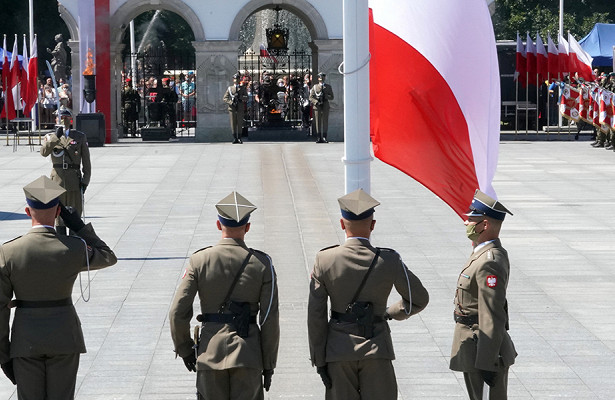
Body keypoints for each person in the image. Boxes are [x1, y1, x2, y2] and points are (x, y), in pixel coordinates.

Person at [0, 175, 117, 399]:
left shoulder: (8, 252)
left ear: (27, 212)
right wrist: (79, 227)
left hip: (26, 341)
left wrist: (3, 356)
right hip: (65, 338)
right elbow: (108, 256)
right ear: (57, 213)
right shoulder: (73, 248)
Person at [308, 188, 430, 400]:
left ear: (341, 224)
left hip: (339, 350)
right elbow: (419, 298)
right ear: (372, 225)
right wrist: (390, 313)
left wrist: (320, 359)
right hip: (377, 349)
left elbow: (315, 317)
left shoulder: (324, 260)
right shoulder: (389, 260)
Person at [169, 192, 280, 400]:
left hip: (210, 353)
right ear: (247, 227)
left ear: (219, 225)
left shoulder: (199, 260)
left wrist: (185, 349)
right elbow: (269, 320)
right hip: (248, 355)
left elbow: (177, 311)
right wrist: (268, 364)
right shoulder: (263, 264)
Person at [450, 189, 517, 400]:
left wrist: (488, 361)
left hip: (482, 347)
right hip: (474, 344)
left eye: (471, 220)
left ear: (485, 225)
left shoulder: (489, 260)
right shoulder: (481, 253)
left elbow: (492, 313)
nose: (466, 224)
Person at [40, 106, 91, 235]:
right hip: (57, 181)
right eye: (59, 117)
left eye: (65, 118)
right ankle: (62, 245)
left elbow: (86, 162)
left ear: (70, 120)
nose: (62, 120)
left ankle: (75, 246)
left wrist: (85, 182)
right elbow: (44, 152)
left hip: (74, 181)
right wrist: (55, 138)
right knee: (58, 217)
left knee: (74, 216)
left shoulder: (79, 137)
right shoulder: (50, 137)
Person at [223, 73, 248, 144]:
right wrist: (231, 102)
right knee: (233, 123)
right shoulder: (230, 88)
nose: (236, 80)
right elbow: (225, 98)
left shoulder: (242, 88)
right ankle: (234, 138)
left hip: (240, 107)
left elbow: (246, 97)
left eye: (237, 78)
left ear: (239, 79)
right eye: (235, 78)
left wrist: (240, 97)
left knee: (240, 123)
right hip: (232, 108)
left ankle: (239, 137)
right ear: (233, 80)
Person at [309, 72, 334, 143]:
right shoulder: (315, 87)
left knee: (325, 121)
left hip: (325, 104)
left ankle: (324, 137)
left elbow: (332, 97)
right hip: (317, 106)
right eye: (320, 77)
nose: (321, 79)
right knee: (318, 121)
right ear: (318, 78)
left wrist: (326, 96)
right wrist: (316, 102)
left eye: (322, 77)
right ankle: (319, 137)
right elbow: (311, 97)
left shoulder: (328, 87)